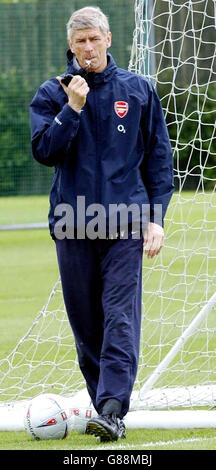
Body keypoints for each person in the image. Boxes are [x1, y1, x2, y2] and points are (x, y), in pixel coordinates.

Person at [30, 6, 174, 442]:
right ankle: (103, 409)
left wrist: (156, 218)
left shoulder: (138, 90)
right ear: (70, 46)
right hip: (73, 224)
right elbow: (45, 151)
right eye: (80, 42)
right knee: (86, 325)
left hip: (126, 222)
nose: (88, 49)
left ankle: (112, 409)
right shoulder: (53, 94)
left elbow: (159, 162)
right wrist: (73, 107)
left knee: (119, 317)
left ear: (108, 39)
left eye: (95, 39)